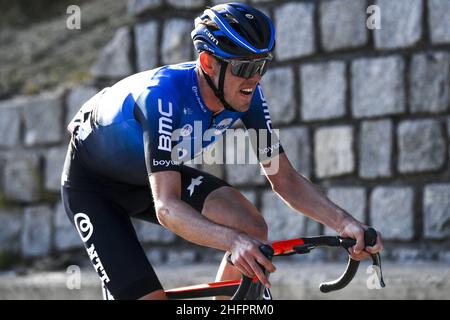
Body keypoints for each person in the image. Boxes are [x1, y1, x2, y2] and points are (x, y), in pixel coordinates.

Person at [61, 2, 383, 300]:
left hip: (152, 175)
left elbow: (284, 179)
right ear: (208, 63)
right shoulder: (163, 97)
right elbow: (166, 207)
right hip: (94, 188)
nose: (254, 79)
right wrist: (232, 242)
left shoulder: (248, 96)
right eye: (244, 67)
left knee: (251, 228)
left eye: (262, 65)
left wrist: (345, 223)